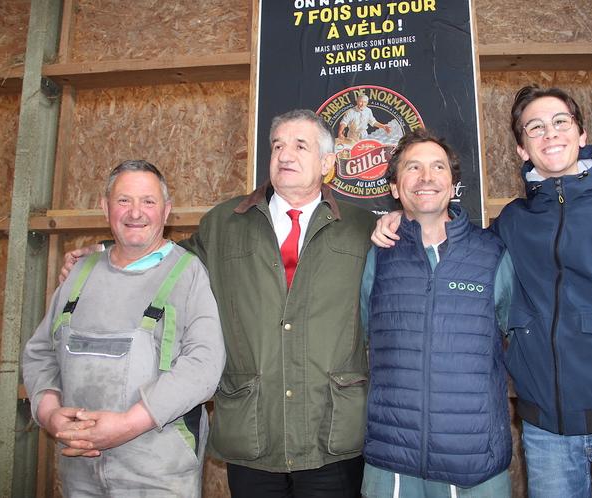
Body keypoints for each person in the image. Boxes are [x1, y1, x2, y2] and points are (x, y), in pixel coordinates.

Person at [372, 86, 592, 498]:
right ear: (521, 148)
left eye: (560, 123)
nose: (549, 134)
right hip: (546, 434)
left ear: (582, 135)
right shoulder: (511, 226)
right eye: (535, 127)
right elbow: (452, 247)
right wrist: (400, 221)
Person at [63, 110, 377, 497]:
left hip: (333, 437)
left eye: (300, 146)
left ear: (328, 163)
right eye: (277, 145)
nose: (285, 155)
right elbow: (168, 262)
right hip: (252, 434)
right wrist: (111, 251)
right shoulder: (225, 223)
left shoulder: (363, 229)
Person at [23, 160, 225, 497]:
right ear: (105, 208)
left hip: (159, 475)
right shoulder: (79, 273)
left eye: (148, 201)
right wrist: (51, 415)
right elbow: (40, 353)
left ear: (167, 211)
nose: (136, 212)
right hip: (80, 473)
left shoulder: (188, 274)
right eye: (123, 201)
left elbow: (204, 366)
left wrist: (128, 425)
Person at [359, 129, 513, 498]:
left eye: (437, 167)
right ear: (396, 188)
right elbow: (366, 337)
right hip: (392, 464)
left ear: (452, 183)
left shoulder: (491, 254)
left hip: (474, 463)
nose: (426, 178)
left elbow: (518, 338)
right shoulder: (378, 255)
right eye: (413, 168)